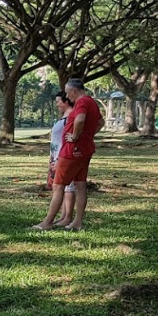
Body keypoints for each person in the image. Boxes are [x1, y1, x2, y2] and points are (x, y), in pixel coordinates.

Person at [34, 78, 101, 231]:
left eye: (67, 92)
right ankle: (77, 222)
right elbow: (100, 123)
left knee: (58, 186)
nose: (66, 95)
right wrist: (87, 136)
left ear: (73, 91)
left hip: (72, 150)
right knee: (80, 185)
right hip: (85, 149)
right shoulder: (92, 102)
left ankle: (47, 222)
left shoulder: (82, 102)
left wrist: (76, 136)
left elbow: (80, 119)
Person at [46, 92, 76, 222]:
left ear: (66, 101)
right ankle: (63, 216)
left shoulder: (70, 118)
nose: (57, 103)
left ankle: (67, 217)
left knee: (68, 186)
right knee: (60, 186)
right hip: (56, 155)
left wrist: (60, 158)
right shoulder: (64, 117)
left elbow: (68, 139)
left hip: (63, 156)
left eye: (58, 101)